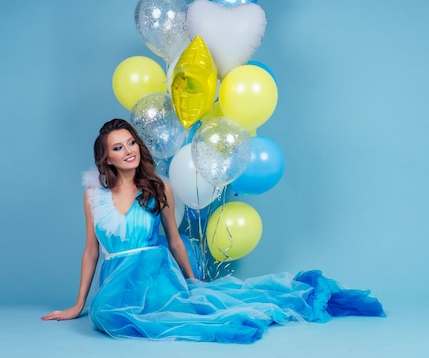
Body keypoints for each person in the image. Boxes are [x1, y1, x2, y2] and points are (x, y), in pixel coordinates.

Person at [42, 118, 384, 343]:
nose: (128, 150)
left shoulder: (157, 187)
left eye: (131, 142)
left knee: (173, 308)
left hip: (155, 272)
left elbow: (174, 241)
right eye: (118, 148)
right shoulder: (93, 198)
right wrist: (77, 305)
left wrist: (191, 282)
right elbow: (90, 252)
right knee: (104, 315)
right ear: (107, 159)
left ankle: (191, 300)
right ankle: (106, 306)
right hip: (118, 276)